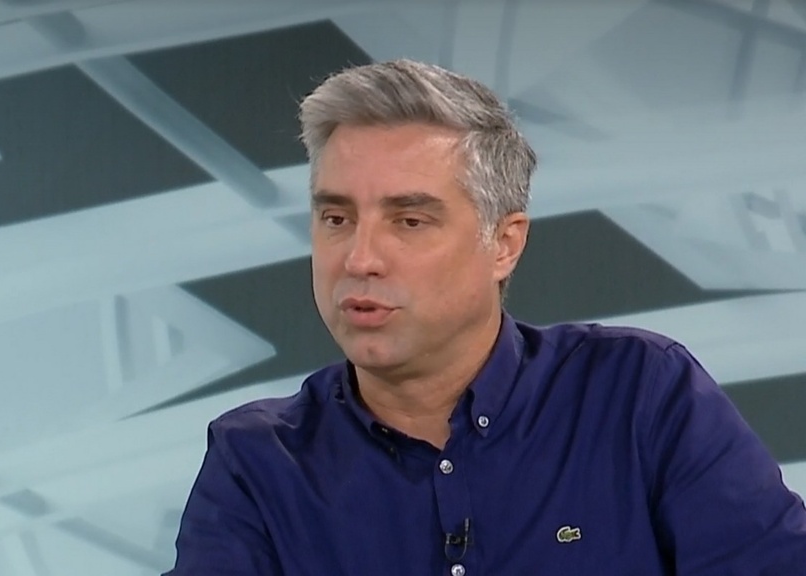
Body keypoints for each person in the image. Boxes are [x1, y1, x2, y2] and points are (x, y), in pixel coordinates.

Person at [164, 59, 806, 575]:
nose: (359, 259)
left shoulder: (639, 393)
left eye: (409, 221)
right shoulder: (258, 461)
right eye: (336, 218)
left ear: (504, 243)